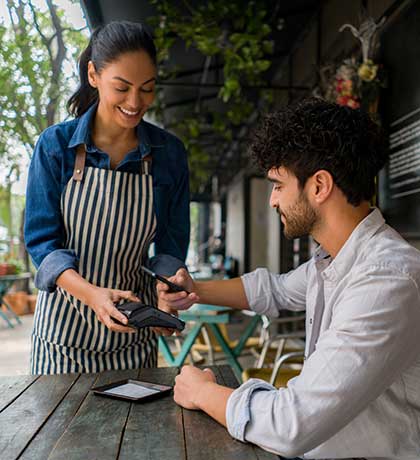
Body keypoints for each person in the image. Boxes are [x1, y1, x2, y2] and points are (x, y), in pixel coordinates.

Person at [158, 98, 420, 459]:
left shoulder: (385, 281)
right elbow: (275, 290)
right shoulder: (332, 259)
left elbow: (291, 423)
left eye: (278, 185)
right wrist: (196, 290)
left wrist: (204, 391)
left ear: (319, 186)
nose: (272, 201)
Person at [24, 21, 190, 374]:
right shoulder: (55, 147)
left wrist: (168, 289)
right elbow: (42, 245)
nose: (135, 102)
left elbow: (169, 247)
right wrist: (92, 295)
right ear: (93, 75)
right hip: (62, 340)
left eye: (147, 89)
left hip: (134, 338)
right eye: (122, 87)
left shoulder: (169, 154)